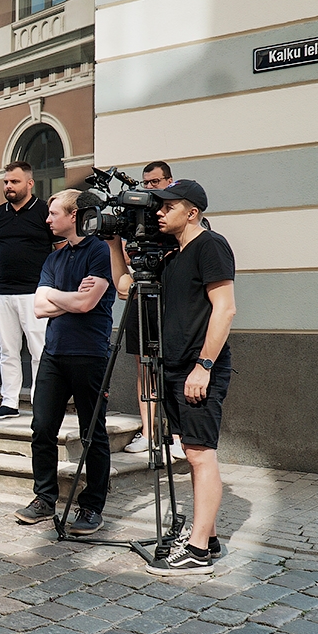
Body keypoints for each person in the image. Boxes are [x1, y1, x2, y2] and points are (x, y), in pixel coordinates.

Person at [142, 179, 236, 575]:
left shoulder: (210, 246)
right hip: (176, 367)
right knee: (193, 453)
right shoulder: (173, 255)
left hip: (199, 368)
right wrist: (112, 246)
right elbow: (126, 286)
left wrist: (205, 365)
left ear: (192, 212)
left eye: (168, 206)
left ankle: (197, 551)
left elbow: (226, 309)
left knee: (201, 454)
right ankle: (207, 537)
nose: (160, 212)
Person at [17, 189, 115, 534]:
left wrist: (58, 297)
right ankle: (45, 498)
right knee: (42, 428)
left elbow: (88, 304)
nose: (47, 219)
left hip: (89, 353)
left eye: (53, 213)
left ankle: (91, 506)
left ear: (74, 215)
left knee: (92, 433)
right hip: (54, 354)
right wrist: (68, 297)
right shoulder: (54, 259)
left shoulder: (99, 250)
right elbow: (39, 307)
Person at [120, 161, 184, 461]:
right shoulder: (136, 218)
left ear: (169, 182)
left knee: (170, 367)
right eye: (145, 183)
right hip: (141, 296)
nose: (149, 188)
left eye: (155, 182)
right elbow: (125, 260)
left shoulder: (177, 216)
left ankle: (177, 436)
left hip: (170, 298)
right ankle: (147, 433)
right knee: (144, 366)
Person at [0, 162, 55, 420]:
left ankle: (41, 403)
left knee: (39, 350)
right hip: (2, 292)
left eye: (14, 182)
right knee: (7, 350)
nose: (8, 186)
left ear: (29, 183)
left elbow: (58, 249)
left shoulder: (45, 212)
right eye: (6, 182)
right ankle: (9, 402)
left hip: (35, 292)